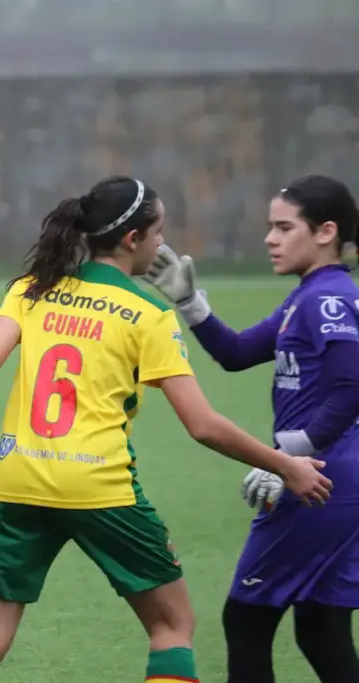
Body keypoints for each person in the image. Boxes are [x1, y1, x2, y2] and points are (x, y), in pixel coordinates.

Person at [0, 175, 332, 683]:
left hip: (13, 481)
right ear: (133, 239)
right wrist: (285, 466)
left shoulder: (31, 289)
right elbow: (202, 424)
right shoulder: (149, 312)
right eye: (158, 231)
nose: (161, 243)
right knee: (173, 625)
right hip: (98, 486)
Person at [144, 174, 359, 683]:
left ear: (326, 231)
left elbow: (352, 385)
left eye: (284, 227)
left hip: (318, 479)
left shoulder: (328, 301)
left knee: (246, 619)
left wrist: (288, 457)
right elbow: (237, 353)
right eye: (270, 227)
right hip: (331, 476)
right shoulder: (307, 296)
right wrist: (192, 305)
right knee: (321, 626)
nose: (270, 238)